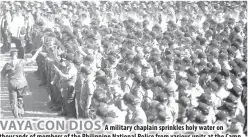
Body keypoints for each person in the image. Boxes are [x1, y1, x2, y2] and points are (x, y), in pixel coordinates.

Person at [1, 46, 42, 118]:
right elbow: (32, 60)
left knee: (13, 101)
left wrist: (5, 80)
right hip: (21, 84)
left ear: (10, 56)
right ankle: (21, 113)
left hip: (12, 84)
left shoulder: (7, 64)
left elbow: (2, 75)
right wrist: (38, 51)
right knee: (20, 98)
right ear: (16, 55)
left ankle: (16, 115)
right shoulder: (21, 62)